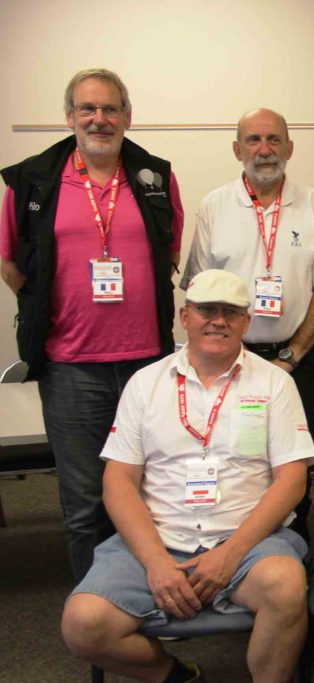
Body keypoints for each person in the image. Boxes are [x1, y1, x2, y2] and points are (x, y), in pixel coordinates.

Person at [60, 269, 314, 683]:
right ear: (185, 316)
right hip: (159, 539)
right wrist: (156, 563)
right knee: (82, 624)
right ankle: (177, 676)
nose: (218, 321)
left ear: (246, 323)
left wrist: (230, 554)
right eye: (206, 310)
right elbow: (118, 481)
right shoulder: (145, 384)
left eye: (231, 313)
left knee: (286, 587)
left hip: (248, 543)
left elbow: (292, 480)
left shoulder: (274, 384)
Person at [0, 68, 184, 582]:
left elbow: (168, 251)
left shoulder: (155, 177)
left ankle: (151, 595)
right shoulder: (32, 179)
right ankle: (95, 610)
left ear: (127, 116)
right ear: (70, 116)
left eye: (110, 109)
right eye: (88, 109)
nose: (99, 120)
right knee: (84, 502)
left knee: (151, 491)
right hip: (71, 367)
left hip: (148, 362)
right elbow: (13, 265)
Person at [181, 107, 314, 540]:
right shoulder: (215, 206)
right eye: (253, 140)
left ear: (289, 148)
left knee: (295, 460)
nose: (265, 150)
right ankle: (227, 543)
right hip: (229, 360)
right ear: (238, 150)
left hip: (298, 360)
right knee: (233, 456)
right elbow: (198, 288)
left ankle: (296, 549)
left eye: (274, 140)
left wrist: (292, 356)